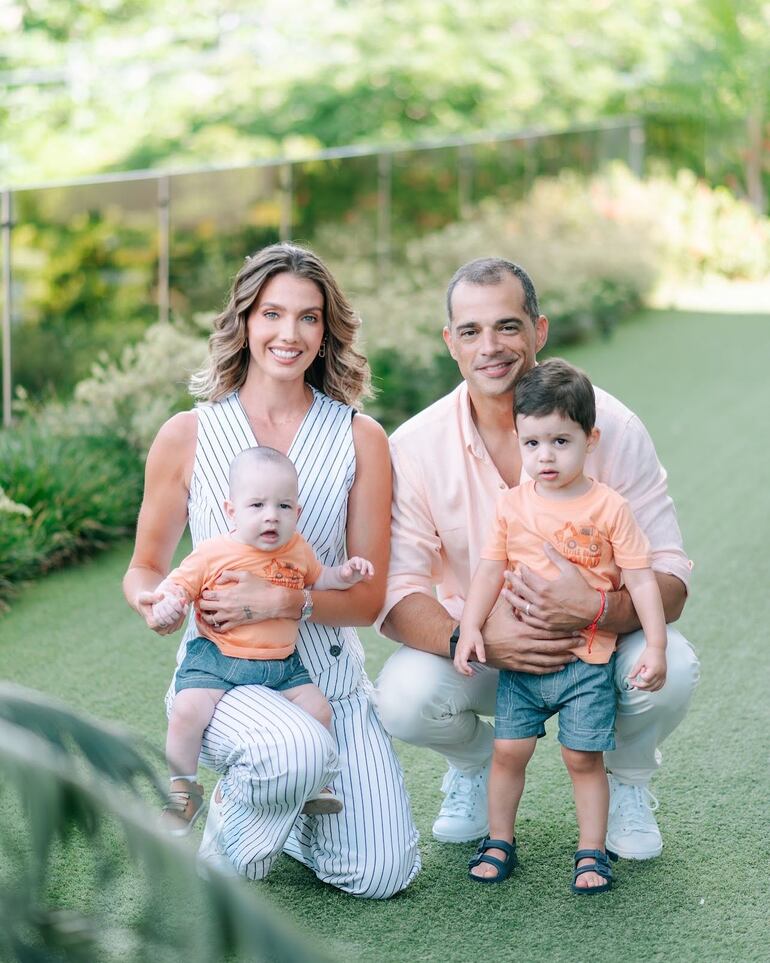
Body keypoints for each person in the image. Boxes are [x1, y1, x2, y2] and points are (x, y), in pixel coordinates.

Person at [375, 256, 699, 860]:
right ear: (451, 343)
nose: (490, 347)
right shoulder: (415, 447)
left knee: (671, 667)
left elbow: (671, 576)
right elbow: (395, 594)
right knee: (402, 696)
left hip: (598, 644)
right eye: (470, 331)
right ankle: (472, 768)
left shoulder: (613, 426)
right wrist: (473, 637)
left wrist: (596, 608)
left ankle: (627, 781)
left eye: (507, 326)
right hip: (483, 654)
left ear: (539, 331)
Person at [124, 243, 419, 896]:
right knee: (291, 752)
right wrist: (154, 601)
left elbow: (367, 595)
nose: (290, 334)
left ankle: (278, 803)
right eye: (272, 313)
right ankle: (227, 847)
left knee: (379, 874)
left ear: (327, 330)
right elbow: (145, 566)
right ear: (245, 320)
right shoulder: (188, 434)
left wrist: (280, 603)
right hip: (222, 684)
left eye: (309, 318)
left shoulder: (359, 437)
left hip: (325, 684)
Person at [454, 359, 668, 892]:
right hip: (523, 661)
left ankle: (591, 851)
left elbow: (641, 580)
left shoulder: (609, 507)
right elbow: (488, 569)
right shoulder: (512, 506)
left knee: (582, 757)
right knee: (509, 751)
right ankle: (499, 838)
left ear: (589, 439)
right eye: (532, 444)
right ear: (519, 440)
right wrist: (472, 627)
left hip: (588, 660)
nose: (545, 456)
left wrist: (657, 647)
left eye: (560, 441)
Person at [153, 445, 374, 834]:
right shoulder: (214, 552)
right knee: (188, 711)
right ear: (231, 510)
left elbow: (321, 578)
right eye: (257, 505)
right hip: (218, 657)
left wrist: (348, 574)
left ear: (298, 513)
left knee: (319, 710)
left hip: (282, 663)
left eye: (284, 506)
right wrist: (167, 604)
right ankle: (182, 789)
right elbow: (178, 585)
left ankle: (313, 784)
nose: (271, 515)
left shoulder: (298, 550)